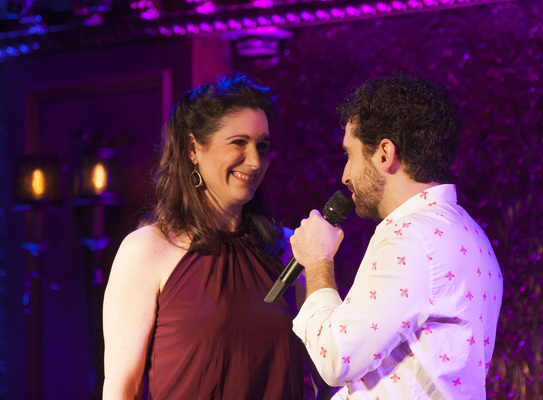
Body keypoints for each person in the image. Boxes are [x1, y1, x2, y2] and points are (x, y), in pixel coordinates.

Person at [290, 72, 503, 399]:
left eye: (350, 154)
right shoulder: (468, 231)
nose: (345, 175)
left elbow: (336, 358)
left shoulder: (411, 237)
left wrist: (318, 261)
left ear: (385, 153)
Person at [102, 73, 306, 399]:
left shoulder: (288, 249)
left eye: (262, 146)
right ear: (194, 148)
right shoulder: (147, 251)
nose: (255, 162)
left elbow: (328, 368)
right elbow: (120, 389)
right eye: (239, 142)